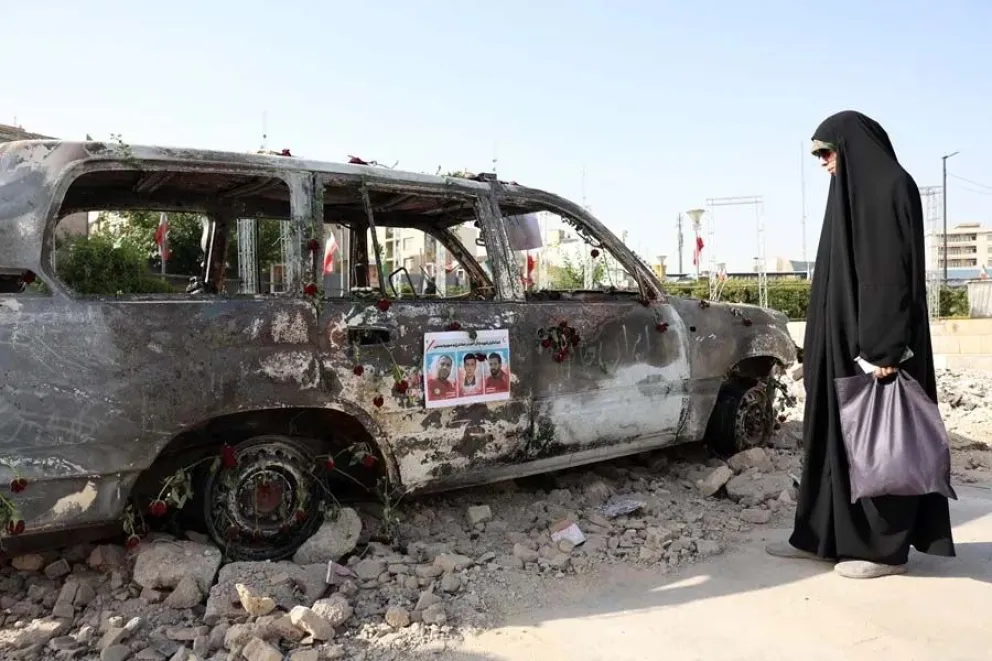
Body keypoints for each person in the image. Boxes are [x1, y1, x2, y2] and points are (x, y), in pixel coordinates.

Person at [766, 110, 956, 579]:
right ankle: (821, 536)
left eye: (828, 152)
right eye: (820, 156)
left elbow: (891, 278)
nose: (825, 163)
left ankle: (882, 550)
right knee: (834, 438)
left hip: (875, 350)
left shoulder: (890, 187)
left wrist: (885, 350)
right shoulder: (847, 195)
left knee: (880, 440)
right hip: (839, 344)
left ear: (852, 147)